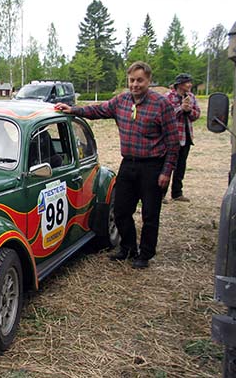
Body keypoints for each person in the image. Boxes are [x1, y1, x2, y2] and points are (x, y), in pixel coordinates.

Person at [55, 61, 179, 269]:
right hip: (128, 164)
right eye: (132, 80)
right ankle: (128, 248)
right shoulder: (121, 101)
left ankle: (145, 255)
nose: (135, 85)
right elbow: (98, 110)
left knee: (150, 214)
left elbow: (173, 142)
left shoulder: (161, 104)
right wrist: (73, 110)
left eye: (140, 80)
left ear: (148, 80)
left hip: (152, 166)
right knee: (121, 210)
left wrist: (166, 172)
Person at [162, 73, 200, 203]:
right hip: (172, 137)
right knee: (167, 165)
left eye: (190, 82)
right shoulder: (168, 97)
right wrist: (180, 109)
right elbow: (165, 116)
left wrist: (189, 110)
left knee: (181, 167)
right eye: (187, 83)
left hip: (186, 136)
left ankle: (177, 193)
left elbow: (197, 114)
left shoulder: (191, 97)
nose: (190, 85)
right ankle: (161, 195)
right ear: (180, 84)